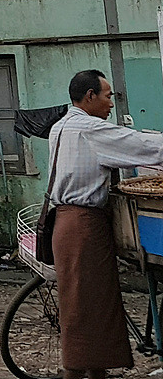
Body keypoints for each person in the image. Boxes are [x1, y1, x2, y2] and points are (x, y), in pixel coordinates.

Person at [49, 69, 163, 379]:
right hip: (84, 226)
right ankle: (74, 372)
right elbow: (144, 146)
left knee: (89, 303)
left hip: (66, 223)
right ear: (90, 97)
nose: (111, 103)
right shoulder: (90, 129)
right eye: (108, 96)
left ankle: (95, 372)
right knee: (86, 306)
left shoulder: (61, 126)